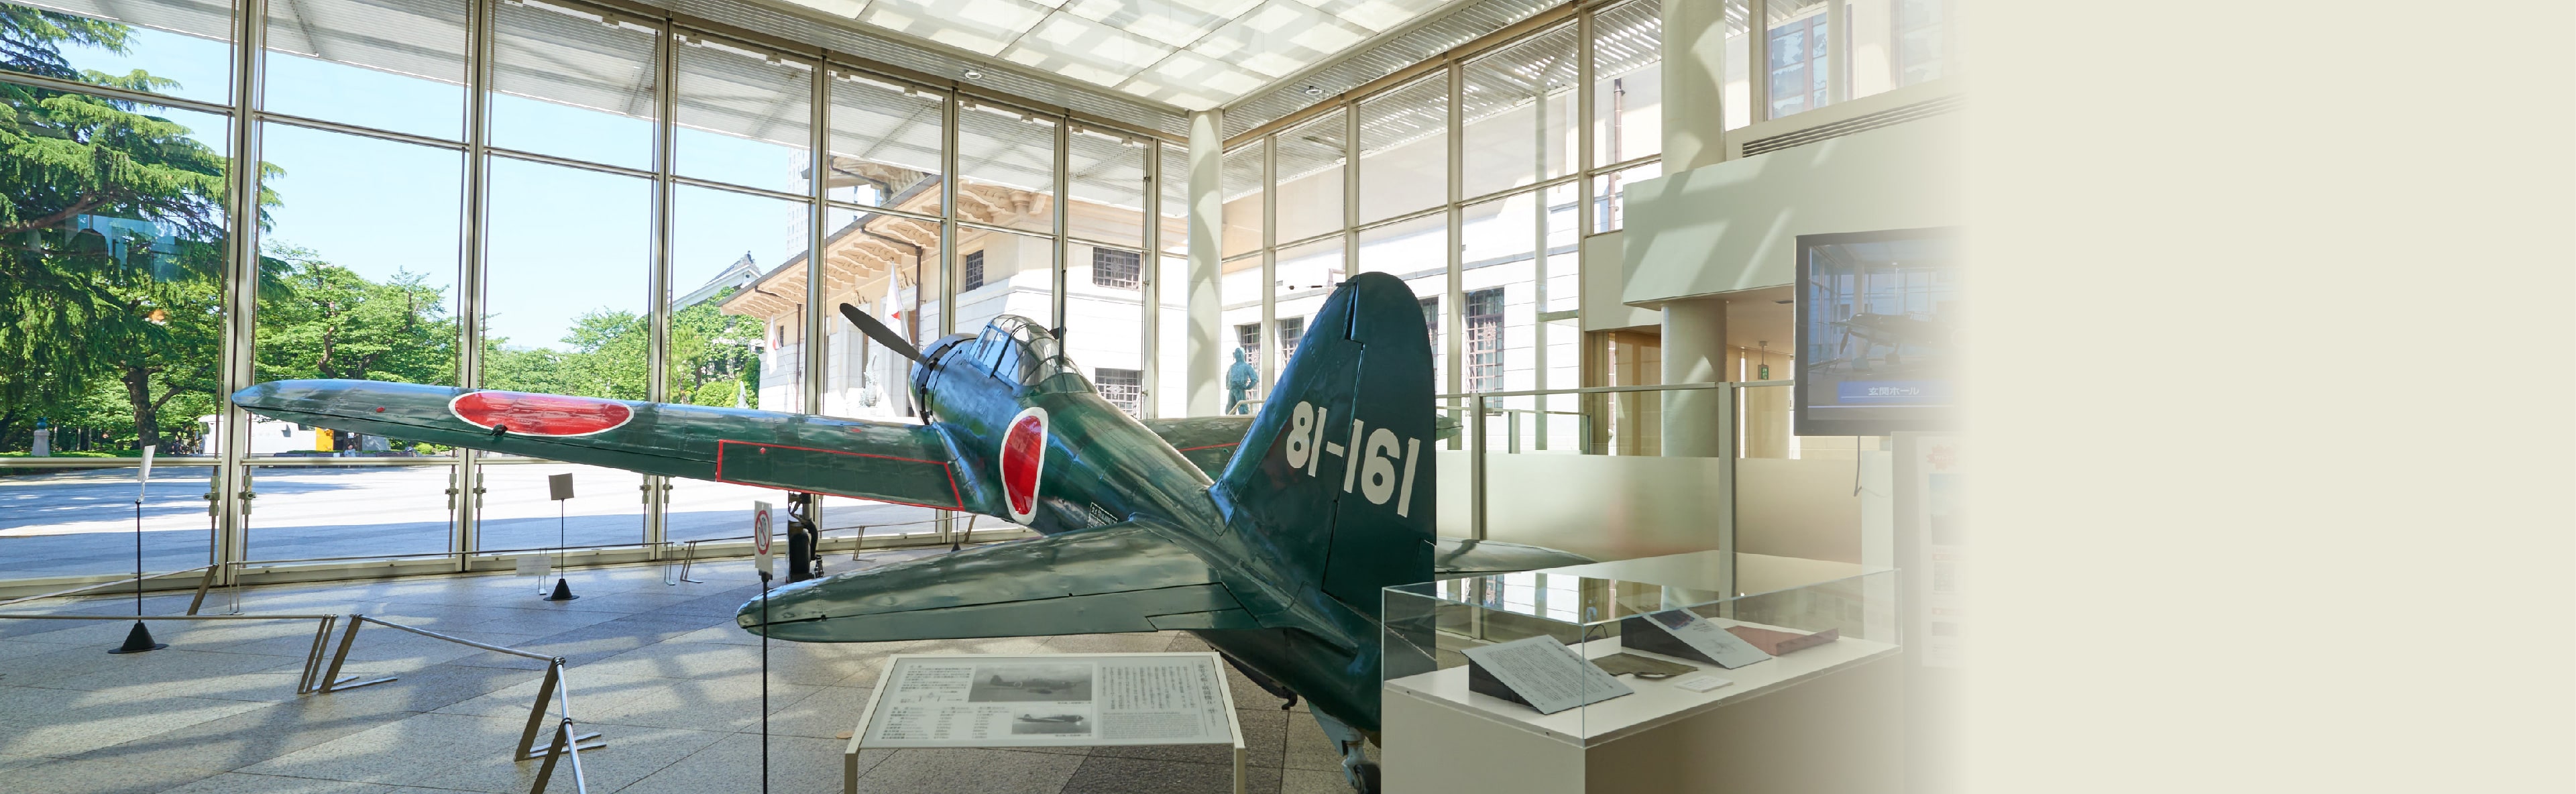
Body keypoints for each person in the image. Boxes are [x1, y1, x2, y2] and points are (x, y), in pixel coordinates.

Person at [1224, 347, 1257, 414]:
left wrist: (1247, 387)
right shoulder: (1232, 367)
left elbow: (1255, 379)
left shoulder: (1247, 366)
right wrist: (1228, 386)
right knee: (1229, 410)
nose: (1237, 355)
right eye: (1236, 353)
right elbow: (1227, 376)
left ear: (1243, 355)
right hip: (1232, 390)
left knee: (1243, 409)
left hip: (1240, 390)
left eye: (1239, 353)